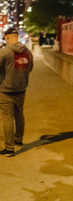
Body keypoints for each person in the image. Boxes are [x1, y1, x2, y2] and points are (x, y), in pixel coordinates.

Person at [0, 27, 34, 156]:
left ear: (7, 37)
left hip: (5, 89)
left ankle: (9, 148)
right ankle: (18, 140)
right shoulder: (27, 52)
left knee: (7, 118)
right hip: (21, 89)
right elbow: (30, 68)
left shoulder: (4, 52)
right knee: (19, 114)